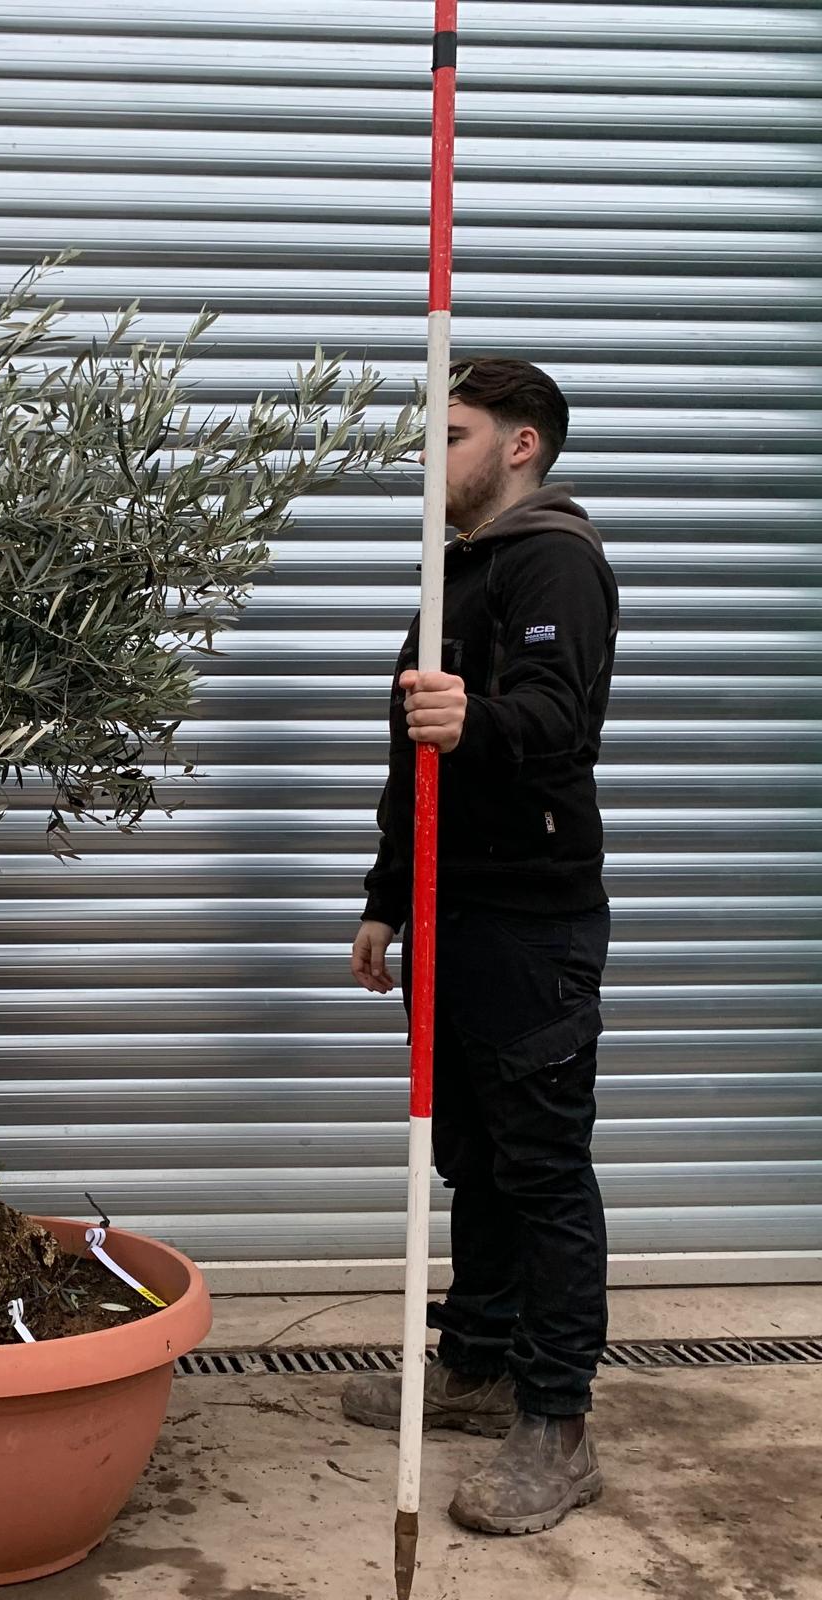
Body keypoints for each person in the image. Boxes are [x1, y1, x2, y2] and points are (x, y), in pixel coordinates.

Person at [341, 357, 620, 1536]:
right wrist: (384, 898)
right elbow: (413, 755)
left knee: (543, 1167)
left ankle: (555, 1423)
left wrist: (484, 718)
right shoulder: (450, 570)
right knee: (472, 1156)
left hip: (528, 921)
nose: (429, 455)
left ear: (520, 444)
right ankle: (475, 1361)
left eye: (449, 432)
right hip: (448, 916)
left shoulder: (557, 556)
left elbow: (560, 720)